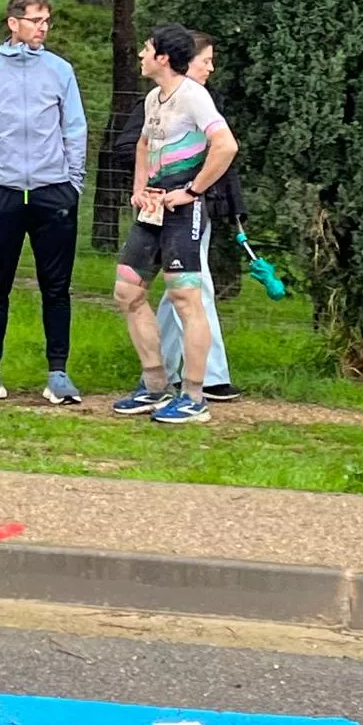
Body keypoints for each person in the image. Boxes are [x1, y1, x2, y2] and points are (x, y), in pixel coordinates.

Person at [0, 0, 87, 405]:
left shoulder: (61, 71)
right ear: (14, 24)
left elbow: (75, 129)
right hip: (2, 193)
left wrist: (73, 184)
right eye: (36, 21)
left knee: (57, 286)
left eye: (47, 21)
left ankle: (59, 373)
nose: (43, 28)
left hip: (53, 193)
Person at [110, 23, 238, 424]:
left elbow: (226, 145)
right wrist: (140, 187)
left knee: (186, 298)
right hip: (153, 210)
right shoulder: (154, 98)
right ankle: (153, 386)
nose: (141, 55)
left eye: (146, 49)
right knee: (127, 291)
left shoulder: (194, 97)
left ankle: (195, 397)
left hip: (183, 210)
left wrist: (194, 191)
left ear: (164, 57)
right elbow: (145, 143)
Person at [152, 34, 242, 402]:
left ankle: (159, 369)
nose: (211, 67)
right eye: (205, 60)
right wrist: (160, 184)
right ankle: (207, 378)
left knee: (182, 290)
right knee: (191, 286)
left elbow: (225, 155)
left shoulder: (204, 101)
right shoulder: (158, 100)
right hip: (169, 208)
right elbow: (135, 143)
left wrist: (230, 204)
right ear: (184, 61)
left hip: (197, 207)